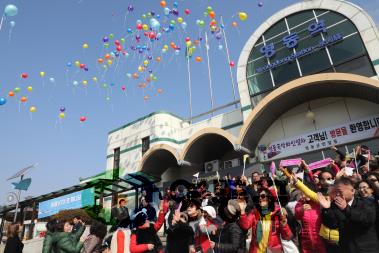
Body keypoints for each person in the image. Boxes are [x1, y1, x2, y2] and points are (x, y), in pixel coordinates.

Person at [319, 177, 379, 253]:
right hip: (346, 249)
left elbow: (367, 220)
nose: (337, 194)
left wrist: (346, 208)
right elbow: (332, 224)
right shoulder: (336, 205)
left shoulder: (366, 203)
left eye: (340, 191)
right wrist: (326, 209)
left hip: (366, 248)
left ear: (353, 191)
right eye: (336, 191)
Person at [239, 188, 292, 253]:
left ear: (269, 199)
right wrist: (242, 211)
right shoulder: (254, 213)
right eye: (258, 197)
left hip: (273, 251)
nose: (260, 198)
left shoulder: (277, 214)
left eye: (263, 196)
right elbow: (245, 226)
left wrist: (284, 225)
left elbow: (287, 237)